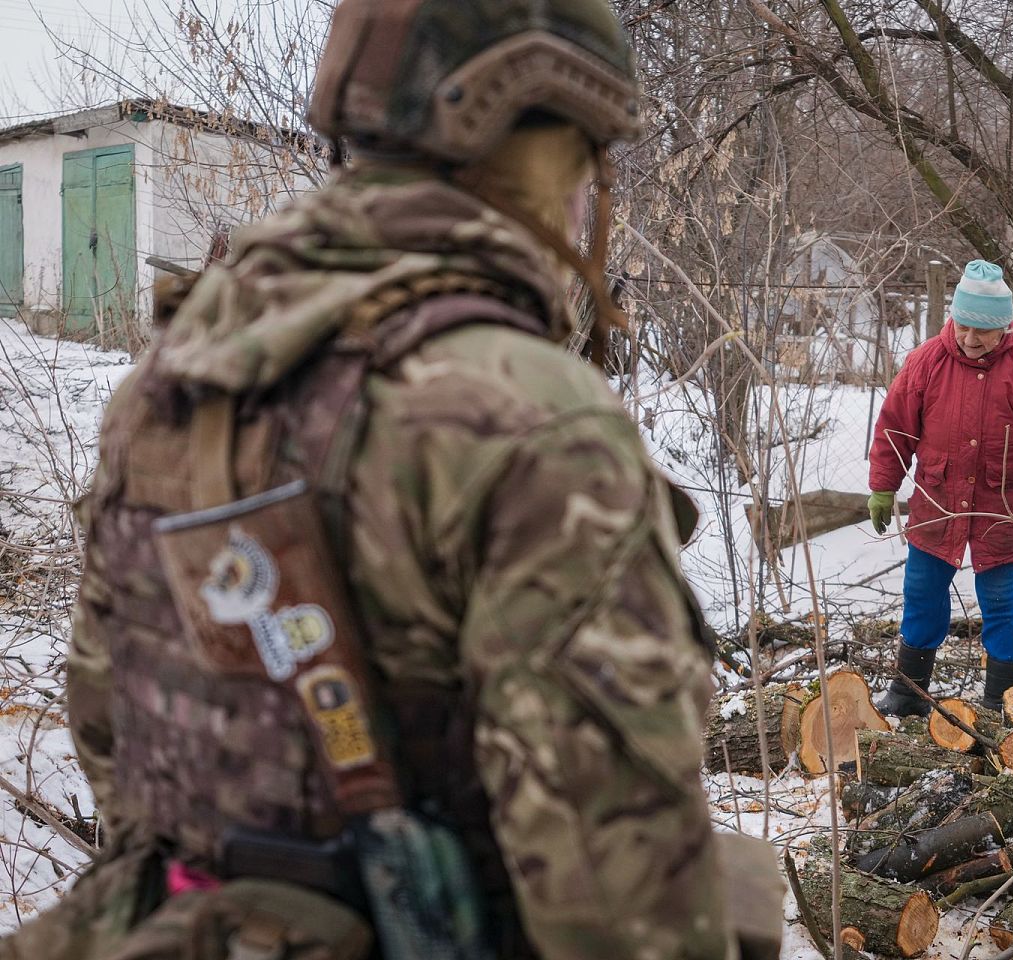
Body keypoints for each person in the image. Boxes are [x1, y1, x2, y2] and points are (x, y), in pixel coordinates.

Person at [4, 2, 782, 958]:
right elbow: (622, 909)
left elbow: (108, 724)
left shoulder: (175, 376)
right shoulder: (531, 419)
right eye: (587, 166)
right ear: (538, 153)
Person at [866, 260, 1013, 716]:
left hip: (1002, 509)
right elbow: (894, 429)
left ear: (1005, 326)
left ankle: (999, 700)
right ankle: (910, 693)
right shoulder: (926, 362)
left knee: (999, 603)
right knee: (922, 594)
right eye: (963, 326)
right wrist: (882, 486)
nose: (970, 339)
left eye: (982, 331)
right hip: (937, 502)